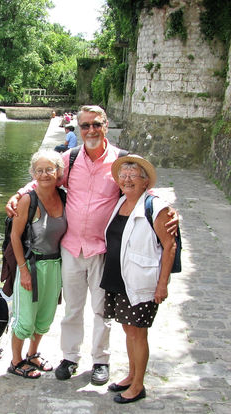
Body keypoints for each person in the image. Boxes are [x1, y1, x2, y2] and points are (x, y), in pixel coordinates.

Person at [6, 105, 178, 386]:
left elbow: (143, 187)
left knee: (101, 310)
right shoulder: (70, 158)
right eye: (84, 126)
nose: (90, 131)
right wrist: (20, 193)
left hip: (103, 250)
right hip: (71, 248)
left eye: (96, 124)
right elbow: (44, 176)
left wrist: (169, 210)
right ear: (78, 128)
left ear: (105, 125)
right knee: (72, 309)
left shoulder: (120, 161)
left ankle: (101, 360)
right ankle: (70, 357)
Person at [102, 155, 175, 404]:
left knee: (138, 333)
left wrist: (162, 284)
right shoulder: (121, 201)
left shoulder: (155, 206)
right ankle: (131, 375)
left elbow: (170, 247)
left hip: (141, 280)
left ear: (146, 182)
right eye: (123, 175)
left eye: (133, 176)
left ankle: (138, 386)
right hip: (119, 277)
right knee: (127, 329)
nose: (127, 179)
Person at [7, 150, 67, 379]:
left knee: (44, 316)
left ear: (58, 172)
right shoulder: (27, 200)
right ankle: (15, 361)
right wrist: (23, 271)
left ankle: (33, 354)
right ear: (33, 173)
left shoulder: (63, 197)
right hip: (31, 265)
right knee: (25, 319)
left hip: (54, 266)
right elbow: (15, 237)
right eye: (39, 170)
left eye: (49, 169)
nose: (44, 174)